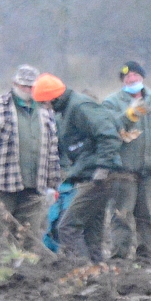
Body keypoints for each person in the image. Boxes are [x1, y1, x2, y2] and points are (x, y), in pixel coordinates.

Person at [0, 65, 62, 249]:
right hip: (2, 184)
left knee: (29, 236)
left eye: (31, 86)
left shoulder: (46, 110)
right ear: (15, 83)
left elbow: (53, 150)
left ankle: (24, 264)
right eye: (24, 86)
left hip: (35, 186)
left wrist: (54, 184)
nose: (27, 90)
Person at [50, 78, 125, 263]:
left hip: (100, 177)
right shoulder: (66, 111)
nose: (44, 108)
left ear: (51, 98)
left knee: (67, 228)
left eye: (43, 103)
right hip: (92, 175)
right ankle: (98, 271)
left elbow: (109, 135)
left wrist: (103, 167)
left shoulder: (79, 107)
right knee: (92, 230)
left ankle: (83, 268)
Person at [100, 60, 151, 261]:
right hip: (123, 170)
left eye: (135, 75)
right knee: (121, 214)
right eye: (127, 76)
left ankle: (146, 255)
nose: (131, 79)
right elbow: (108, 129)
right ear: (123, 81)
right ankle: (119, 256)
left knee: (146, 215)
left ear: (142, 77)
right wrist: (129, 115)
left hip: (150, 169)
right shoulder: (111, 102)